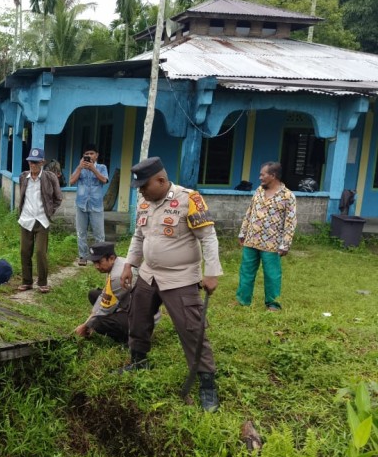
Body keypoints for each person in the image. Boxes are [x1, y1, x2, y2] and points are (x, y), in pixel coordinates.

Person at [120, 156, 223, 413]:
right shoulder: (145, 202)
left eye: (145, 185)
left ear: (161, 180)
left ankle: (207, 383)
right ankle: (138, 360)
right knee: (138, 318)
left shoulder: (189, 199)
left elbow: (208, 238)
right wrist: (129, 264)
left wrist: (211, 273)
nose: (141, 191)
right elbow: (138, 235)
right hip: (148, 274)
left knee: (191, 329)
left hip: (180, 278)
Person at [236, 161, 297, 312]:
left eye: (263, 175)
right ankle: (243, 300)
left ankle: (273, 304)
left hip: (272, 244)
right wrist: (243, 232)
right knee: (246, 271)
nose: (260, 178)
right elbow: (249, 212)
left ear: (273, 175)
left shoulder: (288, 196)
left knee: (272, 275)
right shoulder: (258, 191)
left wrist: (285, 243)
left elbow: (290, 222)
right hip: (251, 239)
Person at [17, 148, 63, 294]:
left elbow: (58, 198)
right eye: (31, 162)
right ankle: (27, 281)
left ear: (42, 162)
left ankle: (42, 282)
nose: (33, 165)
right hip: (26, 219)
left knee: (40, 252)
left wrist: (49, 211)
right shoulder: (23, 177)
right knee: (25, 251)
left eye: (36, 162)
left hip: (42, 220)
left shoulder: (50, 177)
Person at [73, 242, 134, 343]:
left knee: (98, 323)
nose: (96, 266)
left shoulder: (117, 276)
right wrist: (90, 318)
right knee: (93, 294)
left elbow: (105, 309)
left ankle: (131, 337)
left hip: (141, 316)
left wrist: (87, 326)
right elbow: (104, 294)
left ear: (111, 258)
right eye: (94, 262)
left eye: (99, 262)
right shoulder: (117, 263)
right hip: (127, 303)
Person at [69, 144, 108, 266]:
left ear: (97, 155)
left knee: (99, 234)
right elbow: (71, 181)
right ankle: (83, 256)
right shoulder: (80, 167)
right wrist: (80, 168)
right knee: (81, 232)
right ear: (83, 156)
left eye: (91, 153)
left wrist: (93, 169)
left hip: (96, 205)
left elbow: (104, 180)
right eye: (86, 154)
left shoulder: (102, 167)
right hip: (81, 205)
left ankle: (100, 257)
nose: (89, 156)